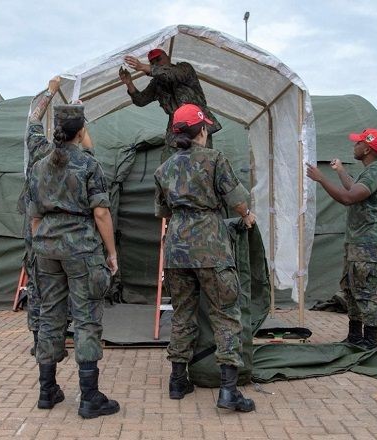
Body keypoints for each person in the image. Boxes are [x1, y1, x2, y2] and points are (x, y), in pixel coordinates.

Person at [153, 103, 256, 412]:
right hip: (211, 246)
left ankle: (177, 380)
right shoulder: (215, 160)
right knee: (225, 314)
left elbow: (162, 211)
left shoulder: (164, 168)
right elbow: (237, 200)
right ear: (202, 130)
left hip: (176, 249)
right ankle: (228, 391)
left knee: (182, 313)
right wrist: (247, 217)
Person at [29, 104, 120, 419]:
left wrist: (43, 245)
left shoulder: (39, 166)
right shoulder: (88, 164)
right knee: (86, 319)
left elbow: (35, 216)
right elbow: (101, 212)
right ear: (81, 132)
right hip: (81, 248)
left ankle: (47, 390)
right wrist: (111, 253)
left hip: (46, 248)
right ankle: (90, 397)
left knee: (49, 316)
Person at [306, 128, 377, 350]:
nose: (354, 146)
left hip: (367, 242)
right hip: (357, 241)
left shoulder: (376, 172)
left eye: (358, 143)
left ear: (367, 149)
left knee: (365, 292)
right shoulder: (371, 171)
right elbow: (353, 188)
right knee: (351, 289)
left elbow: (347, 198)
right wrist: (340, 171)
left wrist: (321, 178)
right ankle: (355, 337)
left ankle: (370, 342)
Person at [19, 76, 61, 356]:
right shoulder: (70, 159)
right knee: (59, 283)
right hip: (59, 228)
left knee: (35, 281)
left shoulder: (38, 149)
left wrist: (50, 92)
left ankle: (38, 340)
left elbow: (33, 121)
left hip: (34, 226)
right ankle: (55, 341)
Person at [119, 49, 221, 153]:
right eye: (153, 63)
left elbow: (173, 74)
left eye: (159, 59)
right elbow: (141, 100)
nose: (156, 64)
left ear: (168, 57)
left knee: (202, 160)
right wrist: (129, 83)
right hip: (176, 128)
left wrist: (143, 67)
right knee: (171, 162)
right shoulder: (157, 83)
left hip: (196, 123)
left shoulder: (184, 68)